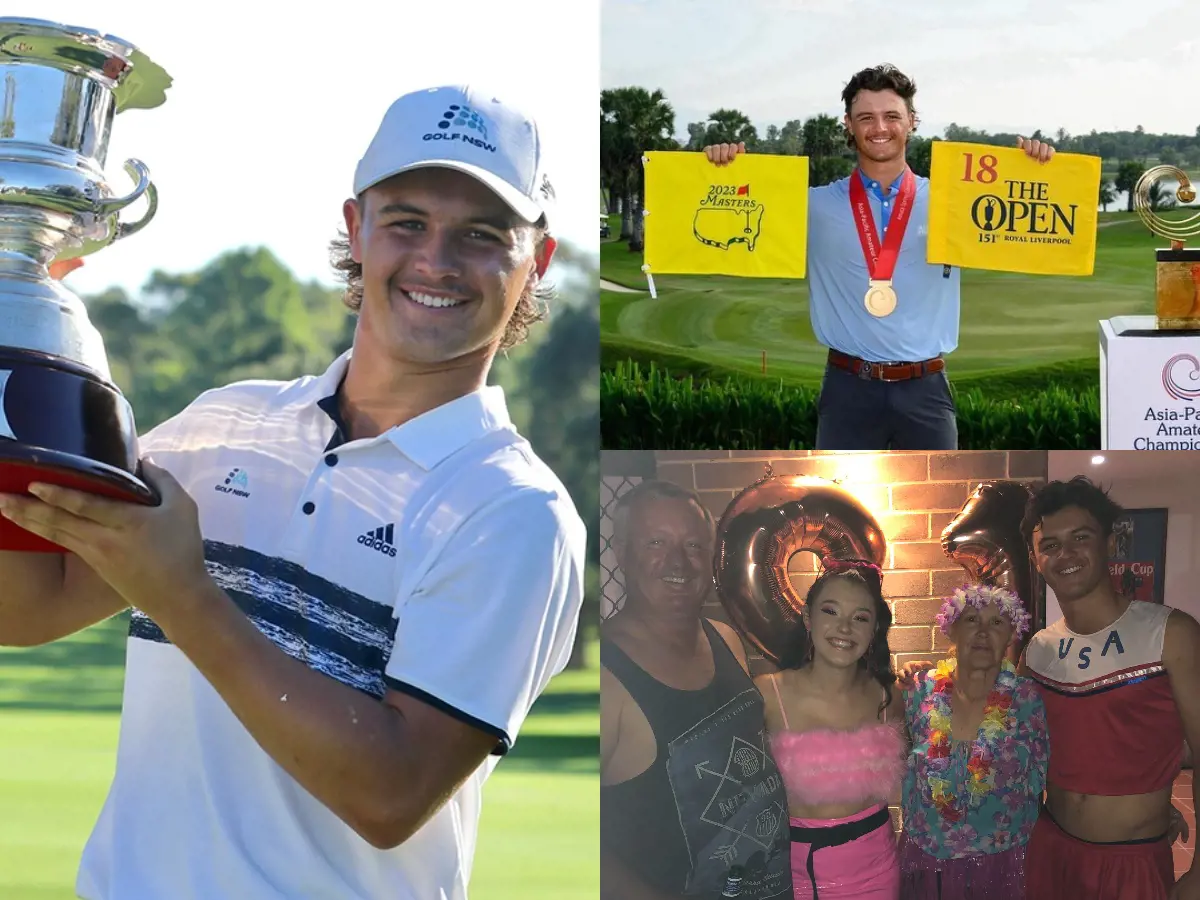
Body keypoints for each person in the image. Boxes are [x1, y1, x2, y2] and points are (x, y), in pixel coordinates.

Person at [0, 84, 585, 900]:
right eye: (407, 222)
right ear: (357, 229)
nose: (437, 262)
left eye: (482, 236)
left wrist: (183, 595)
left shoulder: (514, 512)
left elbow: (392, 793)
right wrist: (20, 327)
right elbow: (30, 606)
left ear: (536, 263)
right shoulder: (224, 424)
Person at [703, 64, 1056, 451]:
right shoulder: (812, 206)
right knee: (840, 503)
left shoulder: (955, 202)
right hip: (847, 389)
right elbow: (731, 214)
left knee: (939, 502)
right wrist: (718, 170)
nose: (879, 127)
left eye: (892, 116)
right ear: (848, 125)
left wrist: (1036, 169)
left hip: (927, 389)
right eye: (865, 117)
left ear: (912, 121)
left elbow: (1029, 216)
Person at [600, 479, 793, 899]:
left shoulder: (726, 638)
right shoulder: (605, 677)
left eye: (692, 546)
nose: (678, 563)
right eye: (656, 542)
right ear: (621, 552)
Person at [1019, 476, 1200, 900]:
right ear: (1035, 558)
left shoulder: (1170, 633)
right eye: (1050, 545)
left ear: (1110, 543)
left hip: (1130, 863)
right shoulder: (1037, 650)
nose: (1065, 554)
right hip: (1048, 848)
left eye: (1081, 537)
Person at [756, 558, 906, 899]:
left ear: (873, 630)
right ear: (808, 619)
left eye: (860, 618)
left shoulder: (889, 696)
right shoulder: (767, 694)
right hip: (800, 877)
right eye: (831, 612)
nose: (845, 628)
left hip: (881, 869)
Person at [896, 583, 1047, 900]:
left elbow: (1052, 778)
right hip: (928, 867)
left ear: (1011, 635)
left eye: (996, 623)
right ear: (951, 630)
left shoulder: (1030, 700)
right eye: (971, 620)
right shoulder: (917, 692)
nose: (982, 631)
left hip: (1006, 869)